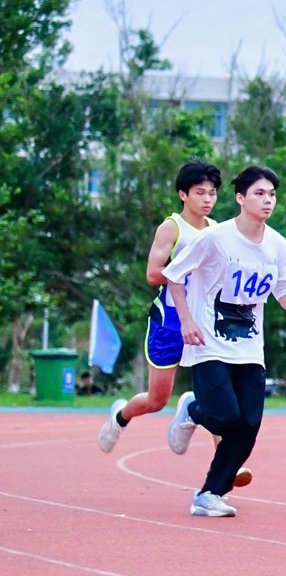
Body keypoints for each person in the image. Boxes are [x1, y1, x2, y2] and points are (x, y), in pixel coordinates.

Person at [161, 165, 286, 517]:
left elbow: (285, 290)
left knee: (248, 425)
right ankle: (193, 409)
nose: (267, 200)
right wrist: (186, 321)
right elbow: (174, 275)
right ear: (241, 198)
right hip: (209, 343)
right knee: (226, 417)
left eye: (272, 194)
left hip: (249, 347)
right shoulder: (215, 238)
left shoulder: (276, 244)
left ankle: (209, 494)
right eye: (259, 193)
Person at [100, 160, 222, 459]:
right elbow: (153, 274)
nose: (207, 199)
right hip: (169, 321)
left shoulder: (218, 231)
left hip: (204, 320)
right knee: (157, 400)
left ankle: (226, 465)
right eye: (200, 193)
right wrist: (187, 271)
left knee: (218, 391)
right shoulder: (172, 228)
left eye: (212, 193)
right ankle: (120, 417)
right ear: (183, 194)